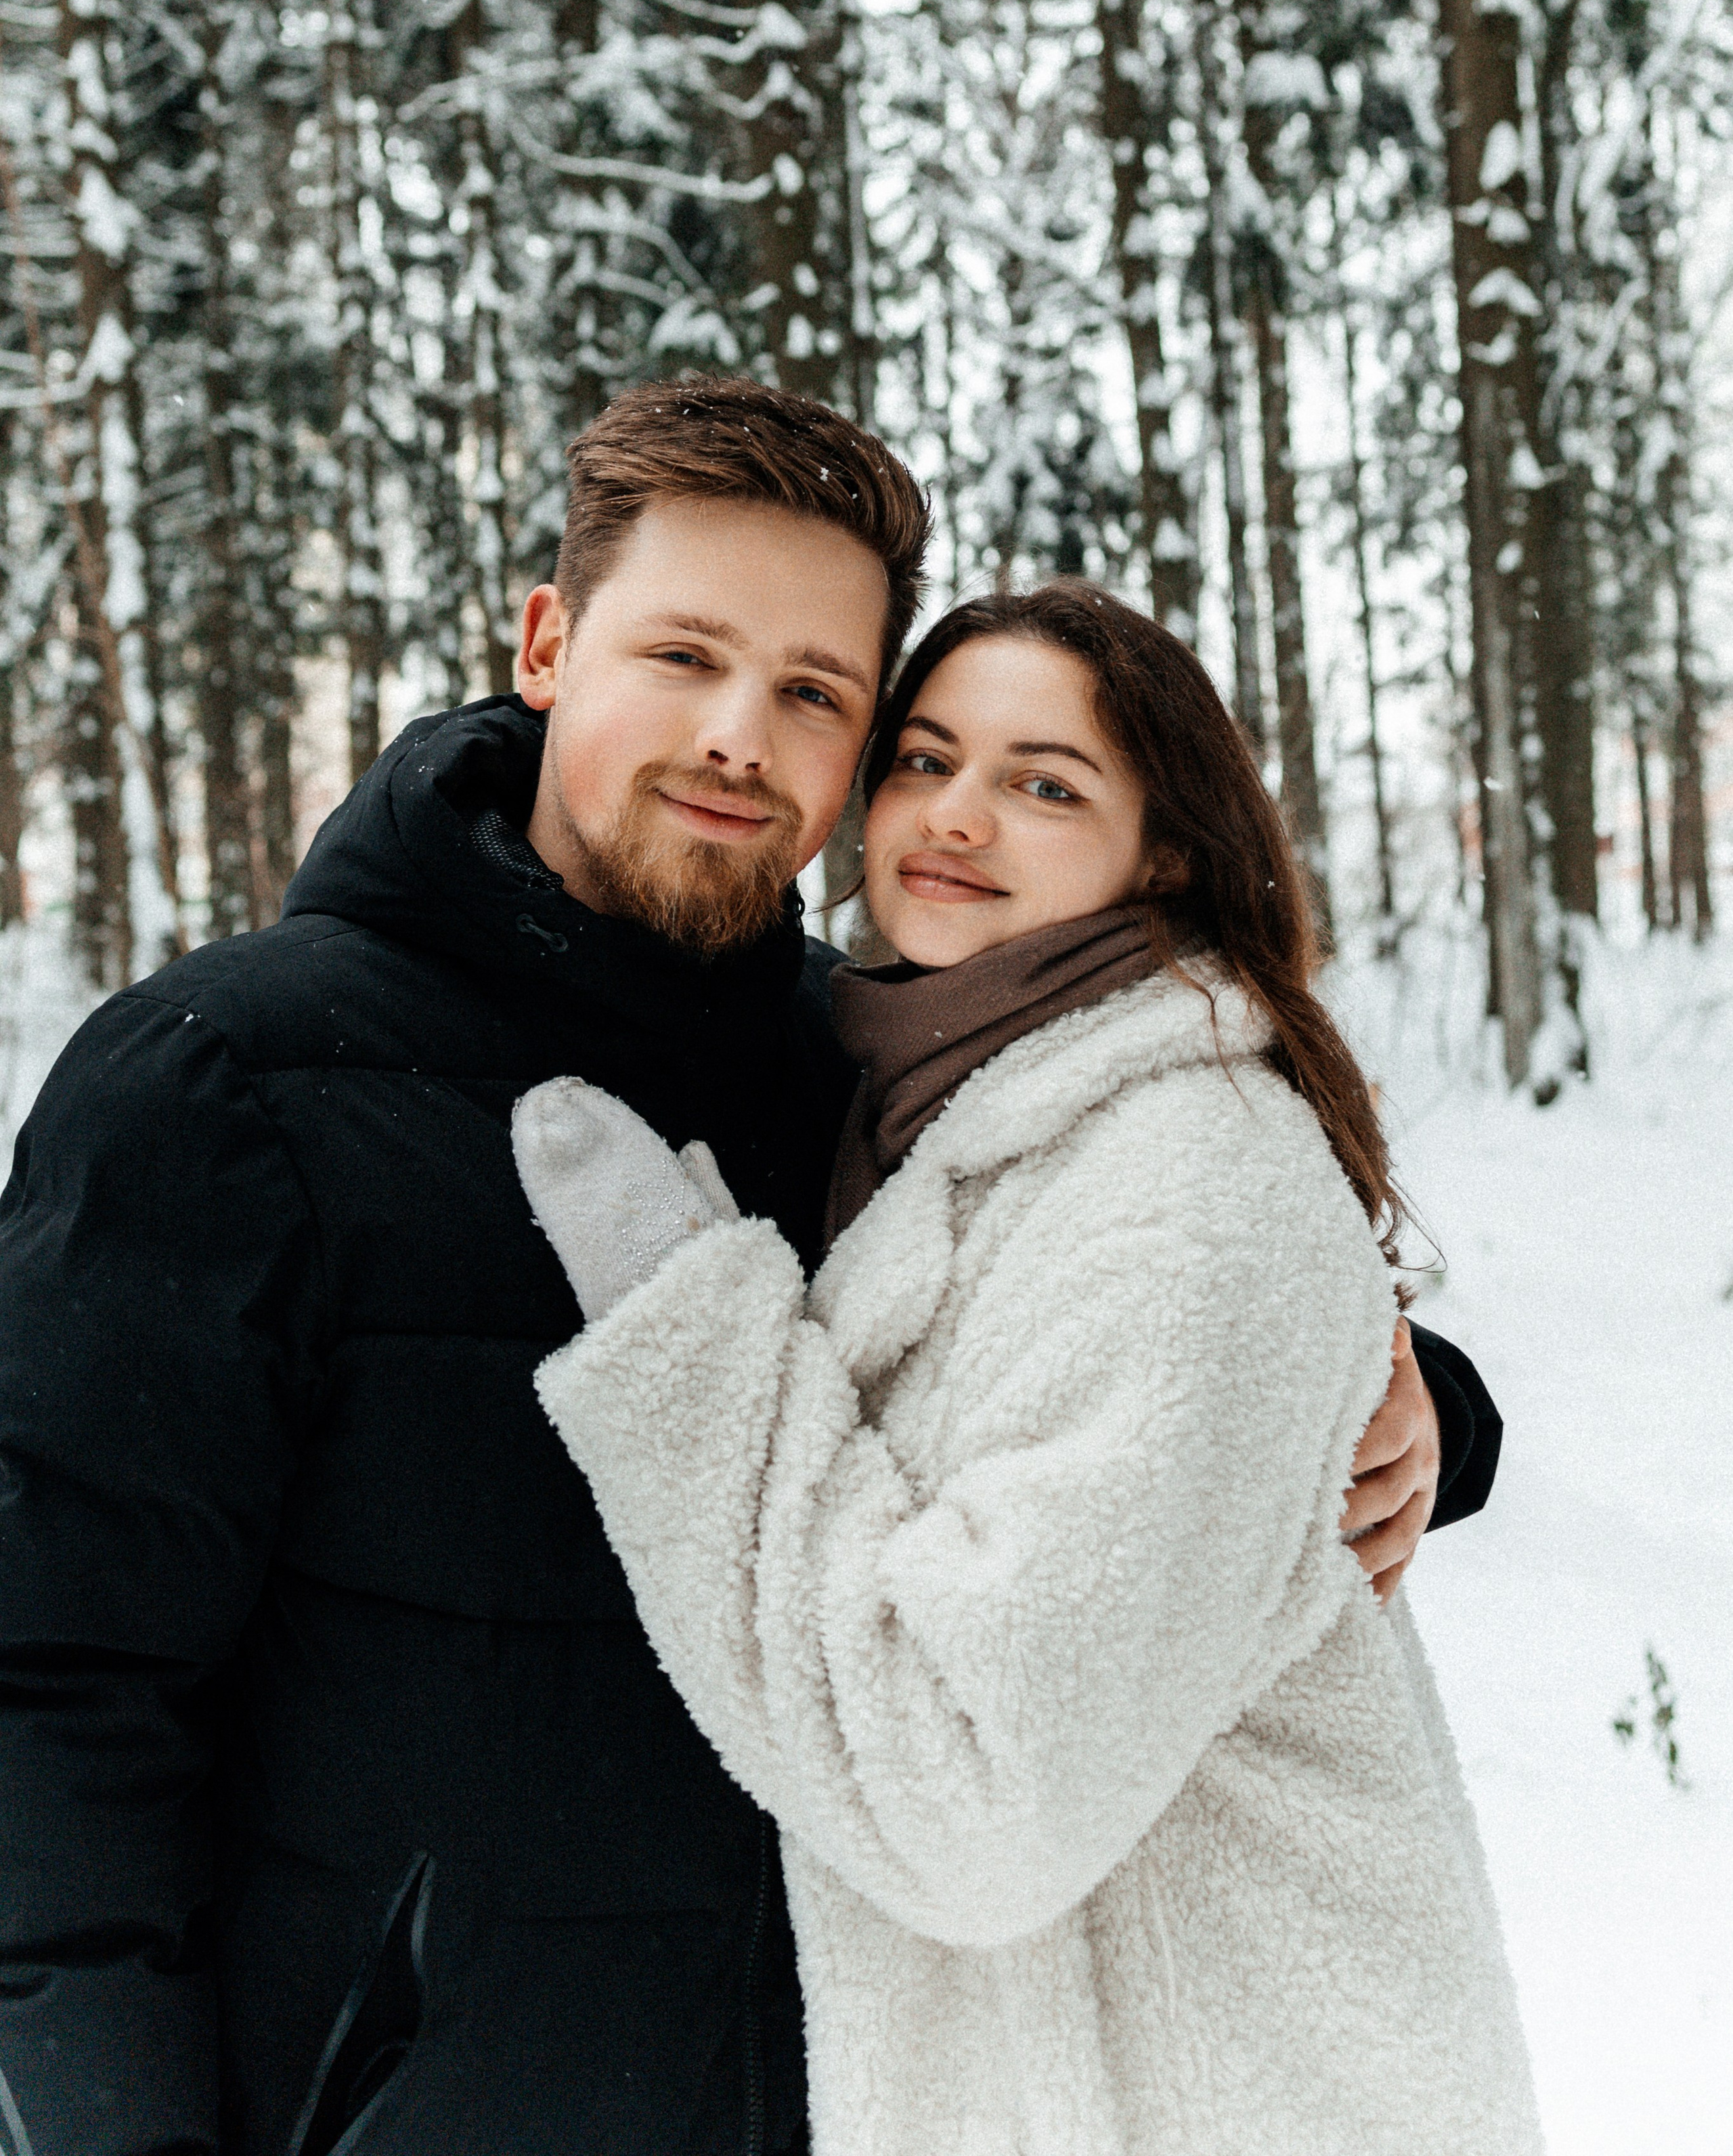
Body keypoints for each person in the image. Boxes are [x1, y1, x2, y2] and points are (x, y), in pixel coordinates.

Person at [0, 378, 1497, 2156]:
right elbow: (50, 1699)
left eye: (811, 693)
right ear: (551, 641)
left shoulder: (870, 1079)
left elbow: (1099, 1369)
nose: (736, 734)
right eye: (684, 654)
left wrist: (1407, 1400)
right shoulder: (230, 1081)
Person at [516, 582, 1541, 2156]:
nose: (955, 816)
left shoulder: (1185, 1166)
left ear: (1169, 851)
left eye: (1043, 782)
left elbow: (974, 1798)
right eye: (924, 760)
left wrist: (696, 1354)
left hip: (1224, 2090)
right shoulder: (916, 1093)